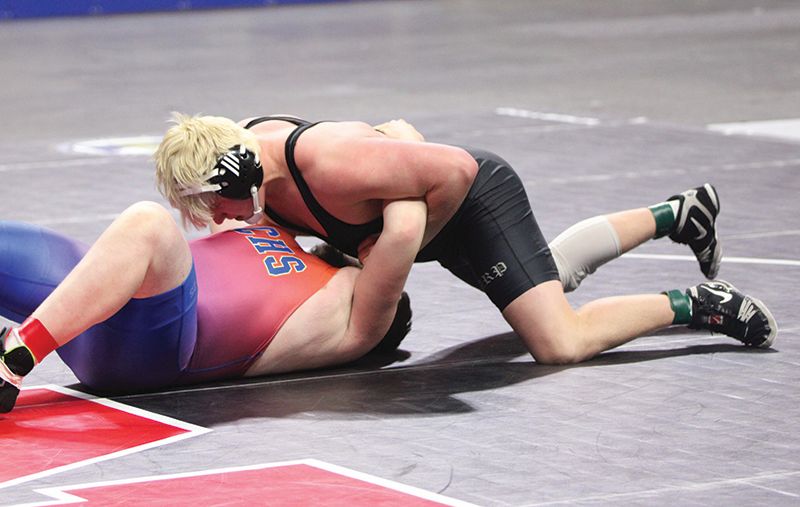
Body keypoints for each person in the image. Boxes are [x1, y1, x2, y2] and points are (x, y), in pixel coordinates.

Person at [153, 113, 778, 367]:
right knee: (549, 271)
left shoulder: (324, 162)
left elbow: (453, 170)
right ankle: (679, 213)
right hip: (429, 208)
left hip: (473, 198)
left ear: (237, 172)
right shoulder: (251, 148)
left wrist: (392, 244)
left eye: (209, 202)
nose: (212, 219)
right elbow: (395, 129)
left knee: (559, 340)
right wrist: (368, 241)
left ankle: (701, 303)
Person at [0, 201, 413, 413]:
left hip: (153, 352)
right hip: (89, 308)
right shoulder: (276, 234)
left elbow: (405, 230)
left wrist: (404, 146)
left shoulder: (359, 318)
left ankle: (14, 358)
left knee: (149, 224)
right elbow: (250, 161)